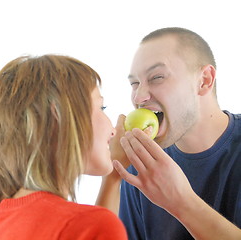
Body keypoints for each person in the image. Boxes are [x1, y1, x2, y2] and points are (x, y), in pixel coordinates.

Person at [0, 55, 128, 239]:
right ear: (59, 117)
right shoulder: (89, 225)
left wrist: (113, 177)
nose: (112, 128)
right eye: (101, 107)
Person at [97, 27, 241, 239]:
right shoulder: (139, 165)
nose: (139, 97)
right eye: (134, 83)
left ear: (204, 80)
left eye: (156, 77)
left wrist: (180, 201)